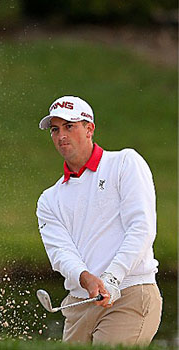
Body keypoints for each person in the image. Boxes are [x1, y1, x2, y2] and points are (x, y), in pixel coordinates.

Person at [36, 96, 162, 345]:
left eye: (69, 126)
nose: (61, 135)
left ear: (89, 129)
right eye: (55, 129)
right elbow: (61, 252)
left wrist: (112, 278)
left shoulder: (125, 163)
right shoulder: (49, 199)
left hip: (129, 293)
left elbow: (141, 228)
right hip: (80, 304)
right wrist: (85, 278)